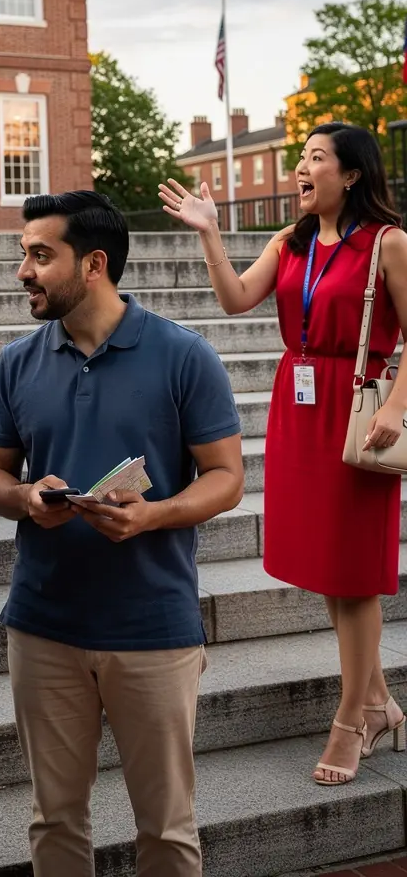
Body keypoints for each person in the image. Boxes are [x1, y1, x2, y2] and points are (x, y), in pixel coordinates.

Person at [0, 190, 244, 877]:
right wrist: (26, 497)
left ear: (93, 264)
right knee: (56, 821)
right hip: (42, 624)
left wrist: (152, 515)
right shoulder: (16, 363)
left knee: (167, 831)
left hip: (153, 627)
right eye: (23, 254)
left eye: (40, 255)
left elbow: (226, 478)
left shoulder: (185, 356)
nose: (23, 271)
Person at [159, 122, 407, 786]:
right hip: (297, 410)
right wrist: (211, 234)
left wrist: (394, 407)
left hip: (356, 412)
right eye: (300, 158)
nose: (302, 168)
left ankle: (353, 719)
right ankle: (380, 701)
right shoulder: (288, 242)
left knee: (353, 573)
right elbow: (235, 299)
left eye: (315, 158)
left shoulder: (389, 244)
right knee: (332, 570)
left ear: (350, 174)